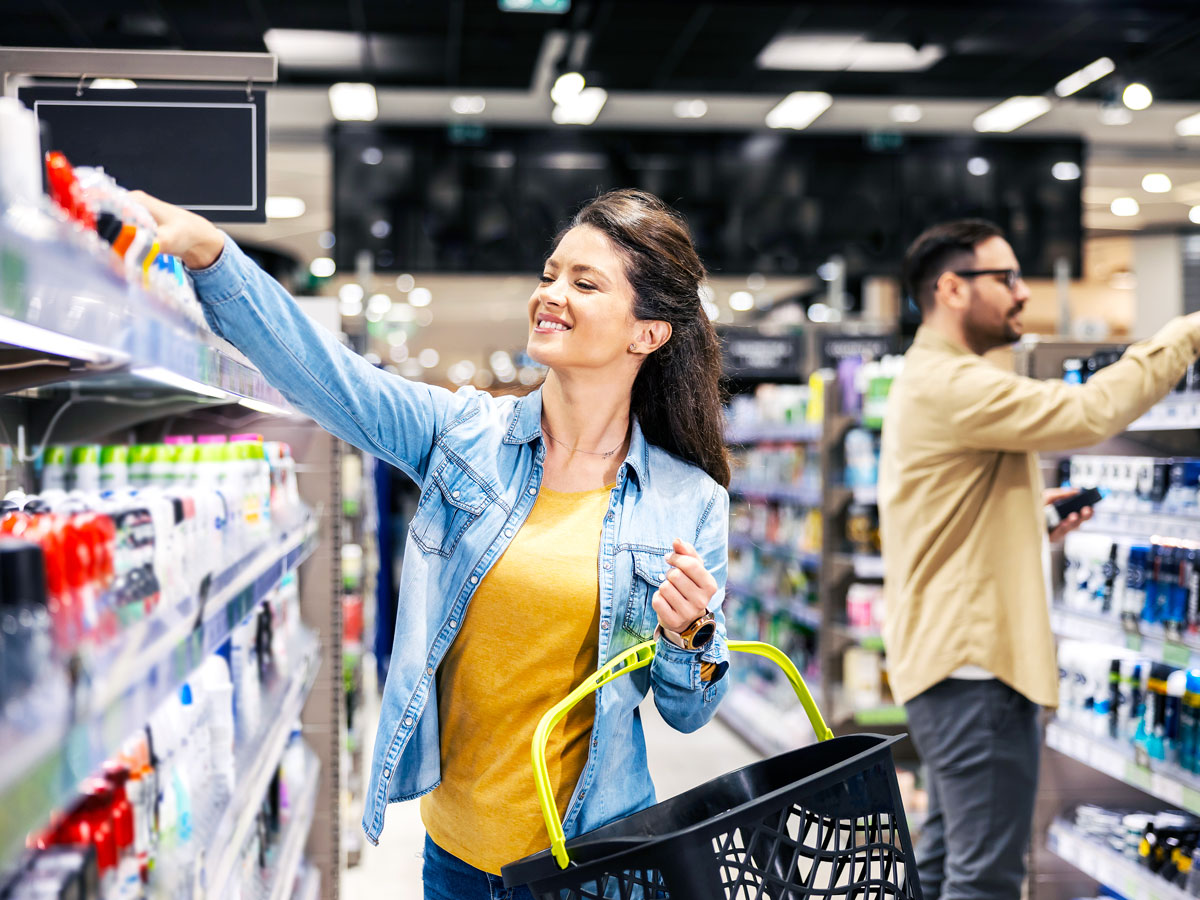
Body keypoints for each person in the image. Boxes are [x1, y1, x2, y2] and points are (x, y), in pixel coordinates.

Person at [134, 187, 733, 899]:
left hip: (597, 866)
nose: (551, 295)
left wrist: (689, 633)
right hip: (456, 861)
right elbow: (331, 378)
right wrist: (213, 257)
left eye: (585, 282)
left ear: (647, 333)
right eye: (549, 274)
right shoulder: (463, 438)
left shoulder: (688, 500)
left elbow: (687, 714)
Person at [879, 218, 1200, 900]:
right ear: (952, 288)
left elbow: (947, 517)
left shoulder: (932, 377)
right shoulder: (953, 382)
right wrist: (1187, 333)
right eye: (1007, 278)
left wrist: (1030, 518)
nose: (1023, 294)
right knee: (986, 878)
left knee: (947, 864)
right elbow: (1088, 412)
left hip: (949, 664)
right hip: (976, 671)